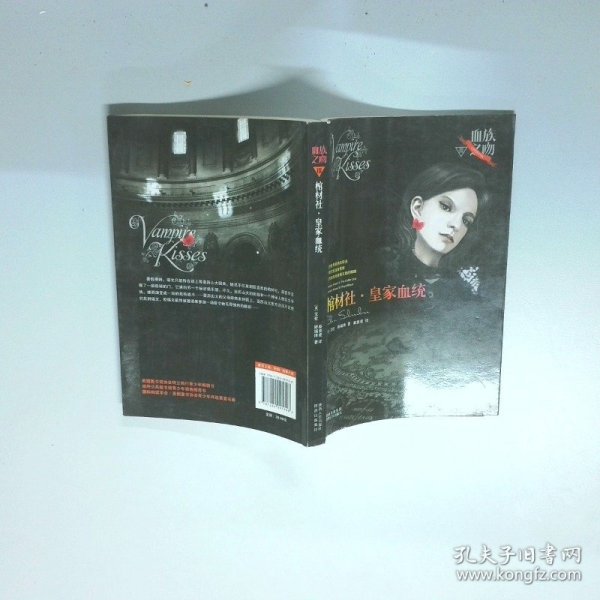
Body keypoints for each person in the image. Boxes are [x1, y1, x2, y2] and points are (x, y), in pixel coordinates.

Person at [394, 162, 489, 274]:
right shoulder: (387, 267)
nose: (457, 225)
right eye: (446, 207)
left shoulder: (463, 281)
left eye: (466, 221)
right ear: (417, 207)